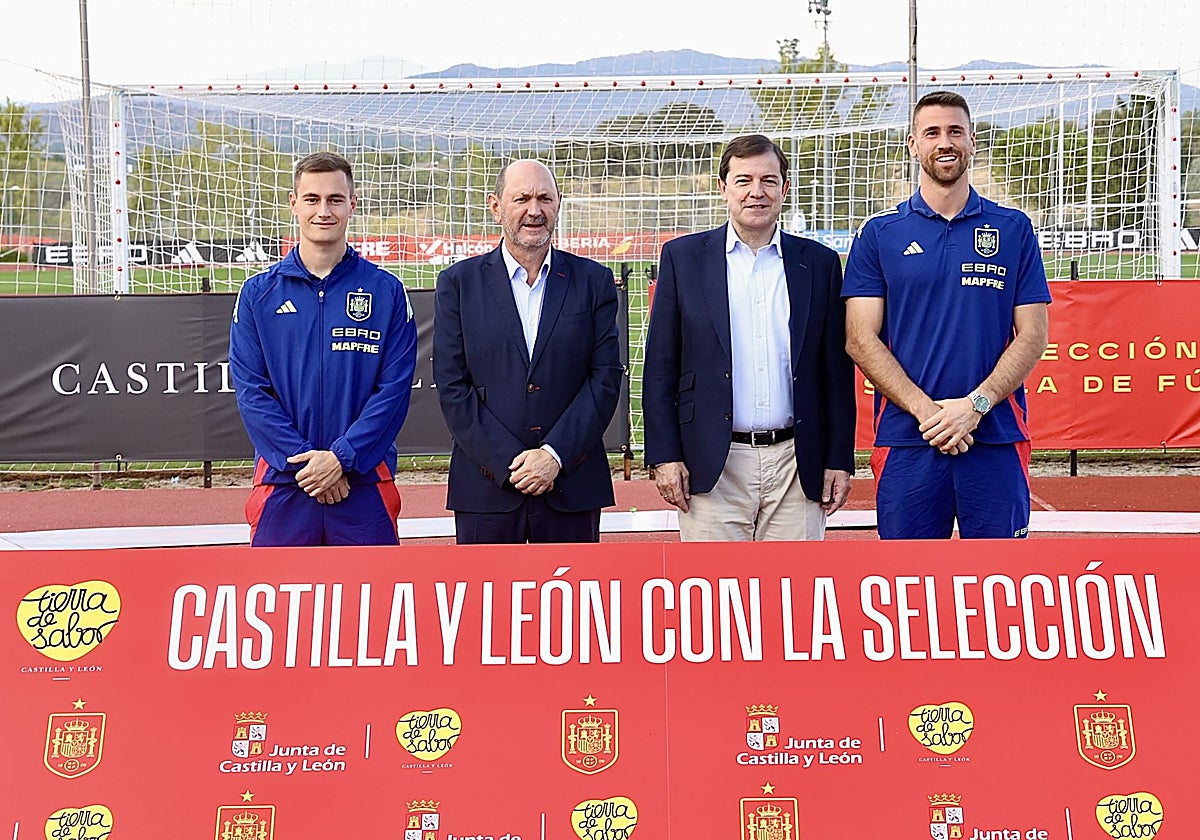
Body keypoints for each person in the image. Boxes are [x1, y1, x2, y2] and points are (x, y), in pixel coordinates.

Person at [843, 90, 1051, 540]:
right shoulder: (880, 234)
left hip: (993, 434)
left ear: (973, 141)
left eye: (955, 131)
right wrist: (929, 413)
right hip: (908, 437)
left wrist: (974, 406)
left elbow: (1032, 335)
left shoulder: (1013, 228)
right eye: (932, 132)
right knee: (908, 588)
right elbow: (860, 338)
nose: (945, 142)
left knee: (1002, 586)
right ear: (912, 144)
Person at [642, 134, 857, 541]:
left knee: (795, 598)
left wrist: (839, 459)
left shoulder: (820, 264)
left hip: (798, 465)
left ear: (785, 188)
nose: (756, 192)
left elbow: (835, 373)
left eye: (768, 181)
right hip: (712, 466)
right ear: (723, 187)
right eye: (743, 181)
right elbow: (660, 369)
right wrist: (666, 456)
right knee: (713, 599)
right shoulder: (683, 259)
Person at [229, 151, 418, 546]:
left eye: (335, 199)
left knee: (371, 605)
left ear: (353, 204)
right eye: (312, 199)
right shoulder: (258, 295)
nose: (323, 211)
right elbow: (251, 392)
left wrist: (342, 459)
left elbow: (394, 392)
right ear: (293, 203)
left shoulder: (387, 292)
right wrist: (308, 466)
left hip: (362, 484)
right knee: (279, 605)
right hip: (284, 484)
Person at [433, 159, 622, 544]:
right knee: (486, 604)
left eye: (544, 198)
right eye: (521, 198)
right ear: (496, 206)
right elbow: (453, 385)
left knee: (573, 604)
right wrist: (510, 464)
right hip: (487, 490)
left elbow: (603, 380)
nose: (534, 210)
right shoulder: (458, 283)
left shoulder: (594, 282)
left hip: (571, 486)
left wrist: (553, 456)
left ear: (558, 204)